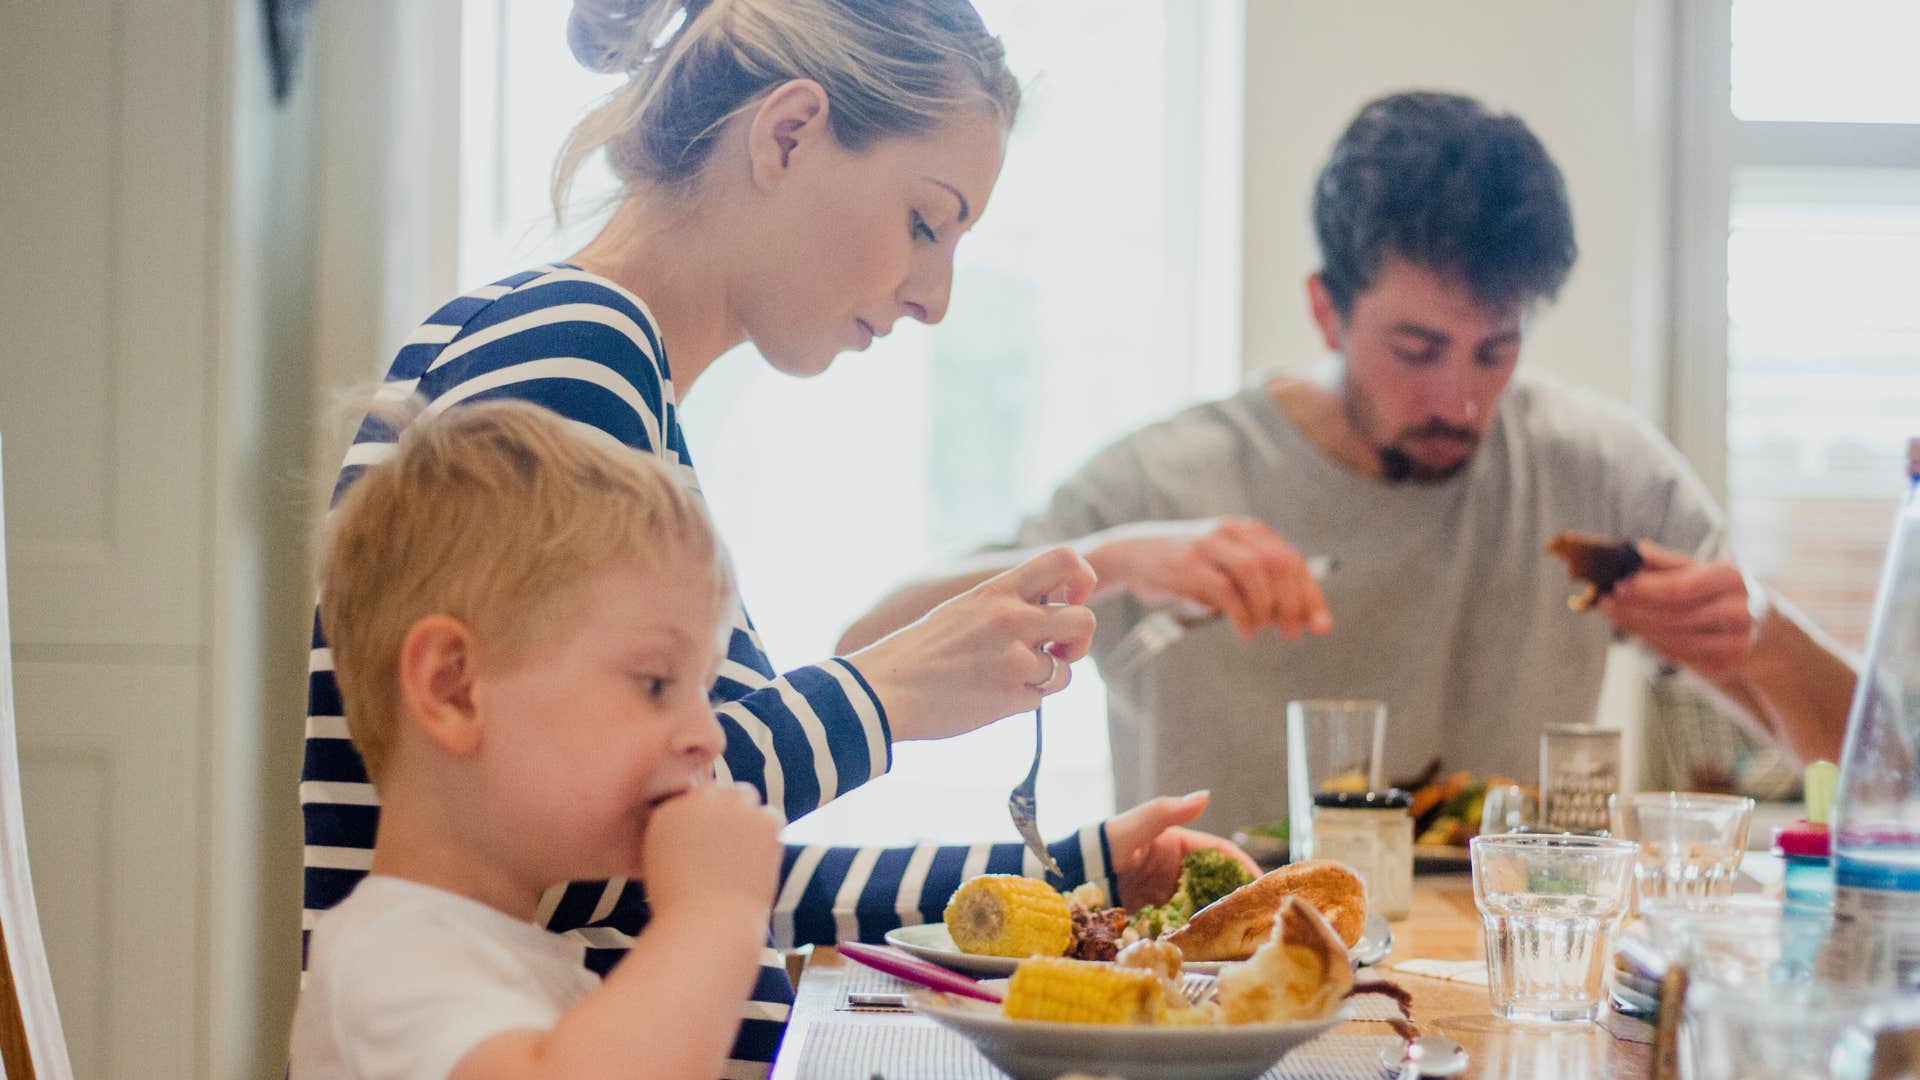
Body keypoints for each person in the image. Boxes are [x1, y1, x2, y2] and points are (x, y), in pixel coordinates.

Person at [299, 2, 1252, 1075]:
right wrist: (888, 690)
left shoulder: (604, 373)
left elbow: (692, 867)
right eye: (926, 222)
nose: (936, 298)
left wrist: (1080, 872)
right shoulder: (572, 349)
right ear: (788, 134)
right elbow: (599, 858)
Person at [838, 91, 1858, 836]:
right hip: (1214, 993)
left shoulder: (1595, 469)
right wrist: (1119, 560)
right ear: (1326, 309)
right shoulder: (1165, 481)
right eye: (1416, 350)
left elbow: (1880, 775)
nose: (1459, 401)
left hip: (1497, 995)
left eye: (1496, 351)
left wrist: (1760, 635)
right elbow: (863, 653)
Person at [291, 398, 786, 1079]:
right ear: (454, 688)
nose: (708, 735)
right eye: (654, 683)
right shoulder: (389, 960)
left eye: (706, 689)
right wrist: (712, 915)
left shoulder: (498, 957)